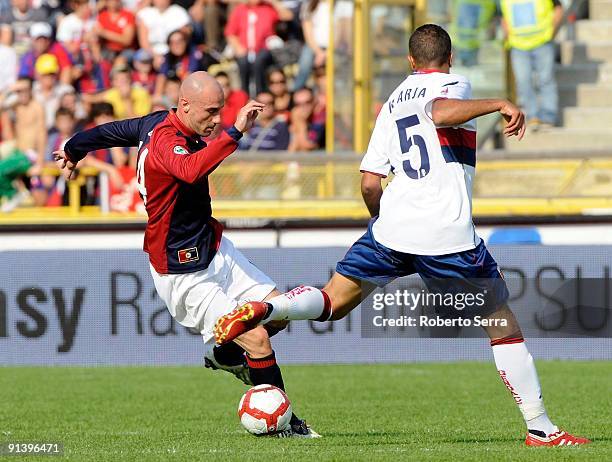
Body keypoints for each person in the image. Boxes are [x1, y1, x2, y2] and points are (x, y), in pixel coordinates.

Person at [215, 24, 591, 447]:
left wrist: (381, 223)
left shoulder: (391, 102)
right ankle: (541, 428)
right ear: (447, 59)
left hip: (391, 228)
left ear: (410, 62)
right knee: (501, 325)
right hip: (445, 233)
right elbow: (440, 112)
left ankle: (267, 308)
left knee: (333, 302)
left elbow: (370, 182)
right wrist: (500, 102)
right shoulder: (452, 82)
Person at [53, 71, 319, 438]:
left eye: (221, 112)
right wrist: (235, 133)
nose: (216, 121)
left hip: (213, 248)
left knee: (277, 313)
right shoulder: (166, 139)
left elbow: (109, 131)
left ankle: (222, 354)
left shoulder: (153, 121)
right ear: (185, 105)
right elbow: (190, 169)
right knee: (257, 339)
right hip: (183, 269)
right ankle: (286, 425)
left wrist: (74, 148)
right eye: (210, 113)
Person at [500, 0, 563, 129]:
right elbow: (503, 16)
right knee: (523, 82)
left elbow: (558, 9)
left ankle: (548, 117)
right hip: (518, 46)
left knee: (546, 79)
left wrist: (552, 32)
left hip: (543, 43)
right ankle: (532, 116)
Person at [224, 0, 293, 96]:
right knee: (243, 63)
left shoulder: (268, 8)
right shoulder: (239, 10)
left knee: (259, 62)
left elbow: (288, 16)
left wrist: (272, 2)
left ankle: (261, 94)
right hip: (245, 50)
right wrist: (238, 47)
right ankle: (244, 96)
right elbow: (230, 33)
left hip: (264, 49)